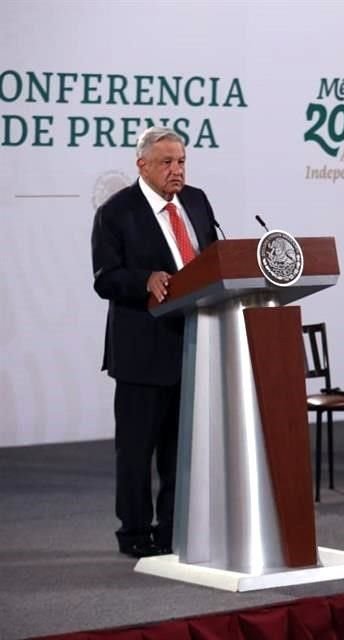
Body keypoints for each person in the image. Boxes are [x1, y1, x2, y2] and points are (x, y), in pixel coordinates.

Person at [91, 126, 218, 558]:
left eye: (181, 161)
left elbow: (213, 258)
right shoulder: (116, 212)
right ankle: (133, 533)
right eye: (166, 162)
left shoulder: (197, 202)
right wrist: (144, 279)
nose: (176, 170)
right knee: (137, 451)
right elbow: (105, 278)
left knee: (178, 451)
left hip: (193, 345)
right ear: (141, 165)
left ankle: (171, 531)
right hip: (142, 352)